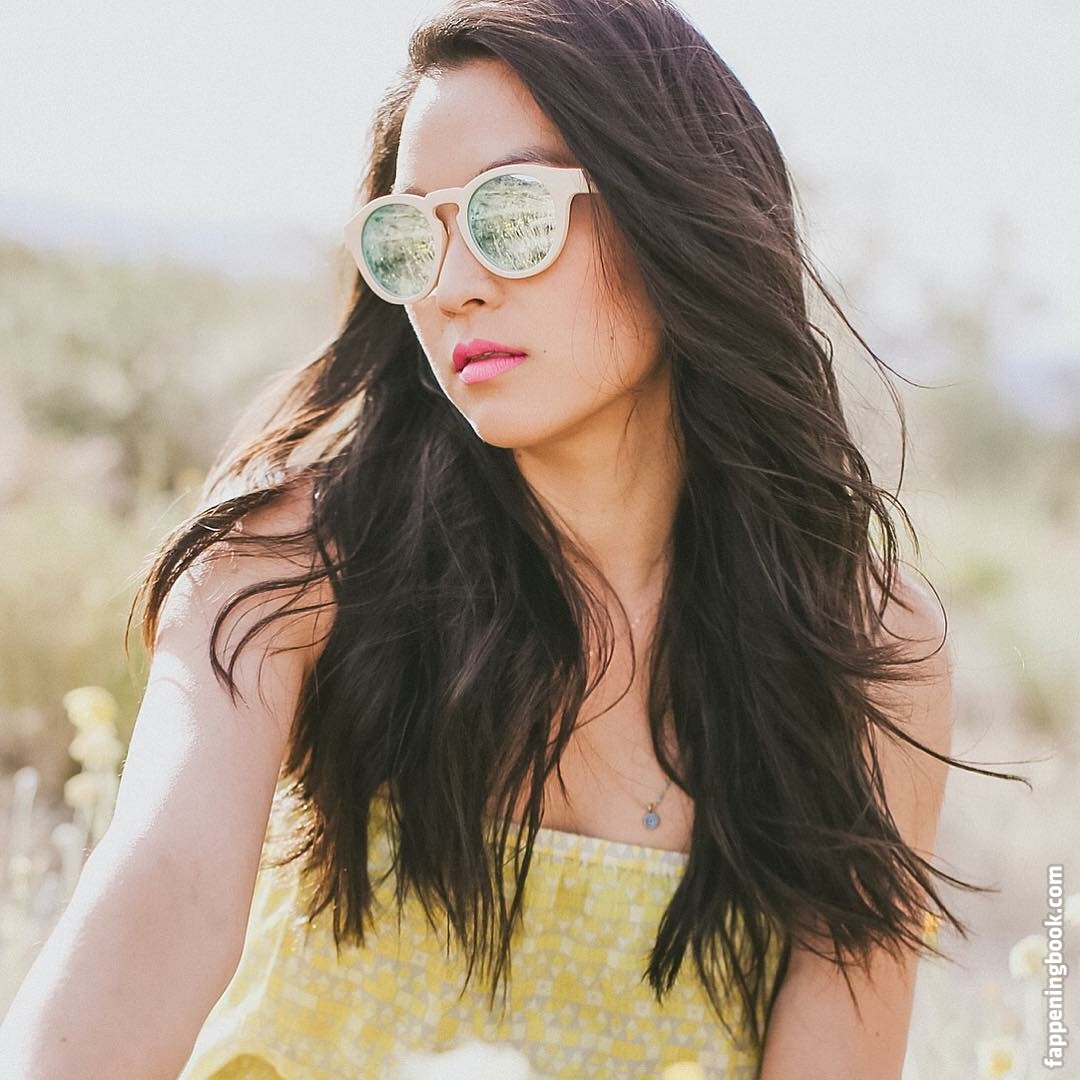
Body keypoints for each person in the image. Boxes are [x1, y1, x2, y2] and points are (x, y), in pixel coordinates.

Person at [0, 1, 1022, 1077]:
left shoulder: (864, 650)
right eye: (411, 238)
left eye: (511, 216)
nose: (453, 287)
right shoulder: (289, 561)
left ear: (675, 213)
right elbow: (162, 895)